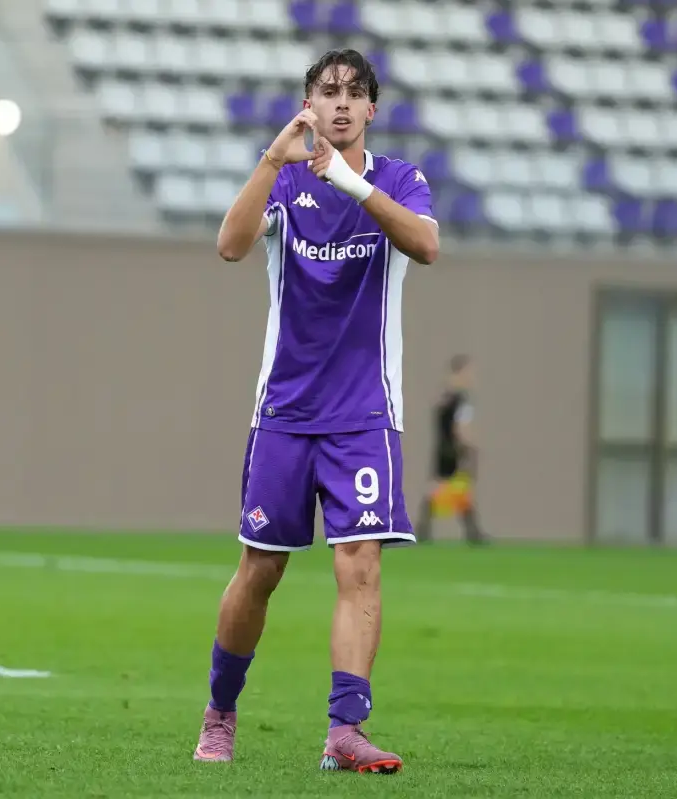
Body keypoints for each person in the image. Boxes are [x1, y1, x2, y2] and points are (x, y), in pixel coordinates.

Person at [192, 48, 439, 774]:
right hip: (287, 411)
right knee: (261, 568)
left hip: (364, 415)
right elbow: (230, 246)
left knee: (360, 565)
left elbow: (426, 245)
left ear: (371, 110)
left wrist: (350, 183)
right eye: (328, 91)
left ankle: (345, 729)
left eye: (354, 93)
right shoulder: (287, 179)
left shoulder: (399, 180)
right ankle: (220, 710)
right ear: (309, 104)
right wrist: (274, 158)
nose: (341, 103)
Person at [415, 355, 486, 545]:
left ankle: (426, 529)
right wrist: (471, 444)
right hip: (455, 450)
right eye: (468, 373)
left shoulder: (443, 397)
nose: (471, 377)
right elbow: (460, 427)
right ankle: (425, 529)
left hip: (442, 449)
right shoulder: (461, 400)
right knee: (449, 489)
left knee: (451, 489)